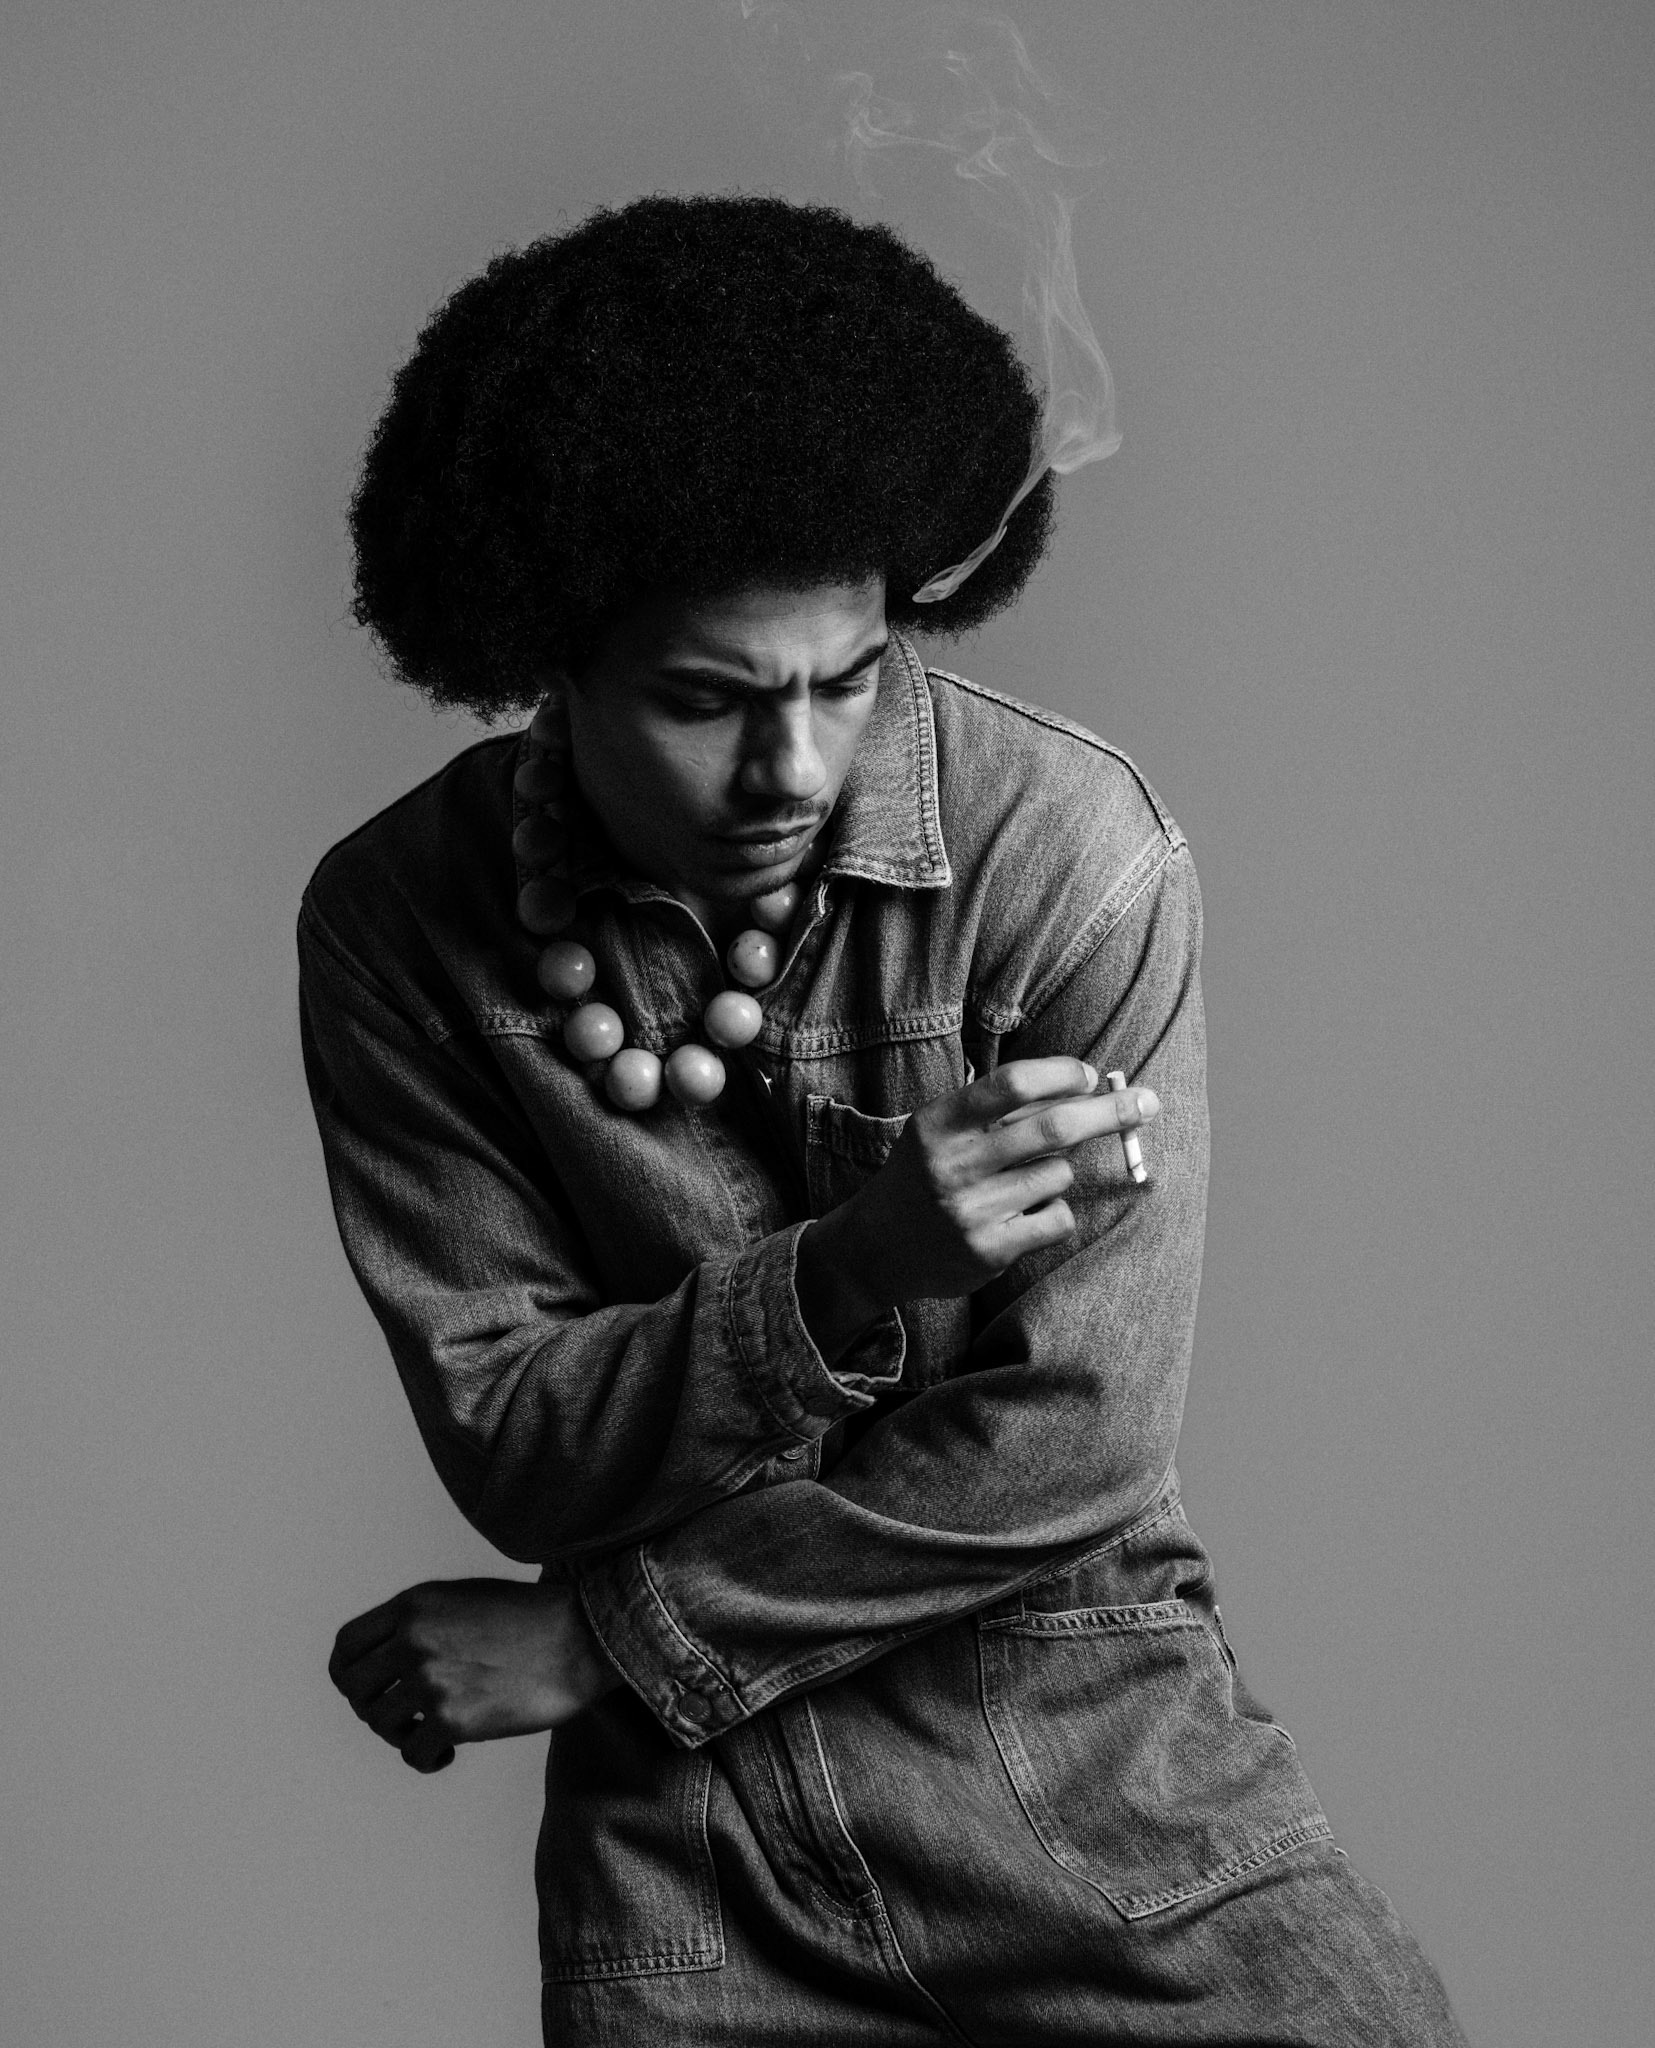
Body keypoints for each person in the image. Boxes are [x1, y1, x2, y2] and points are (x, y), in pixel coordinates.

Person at [300, 193, 1464, 2046]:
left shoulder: (1066, 858)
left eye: (845, 682)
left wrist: (604, 1640)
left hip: (1091, 1781)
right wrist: (854, 1272)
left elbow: (1075, 1443)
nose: (791, 767)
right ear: (551, 666)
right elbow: (519, 1439)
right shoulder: (401, 923)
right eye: (705, 702)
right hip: (692, 1871)